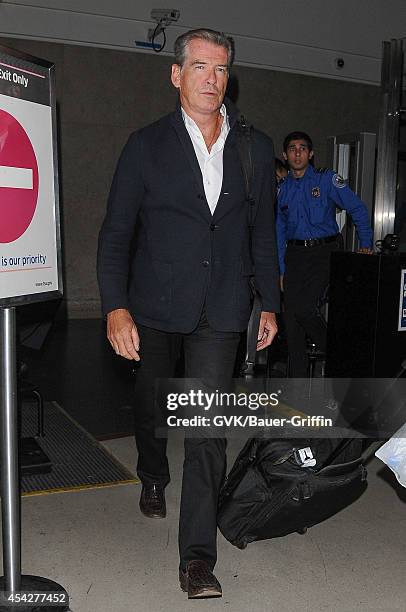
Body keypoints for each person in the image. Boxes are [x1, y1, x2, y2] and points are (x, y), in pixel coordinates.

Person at [97, 28, 280, 598]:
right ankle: (152, 473)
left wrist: (268, 302)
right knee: (154, 402)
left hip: (222, 309)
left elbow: (261, 236)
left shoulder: (253, 147)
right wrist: (115, 308)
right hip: (154, 303)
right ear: (176, 75)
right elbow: (116, 235)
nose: (211, 79)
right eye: (200, 67)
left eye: (221, 70)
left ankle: (197, 558)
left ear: (230, 78)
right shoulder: (145, 145)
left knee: (207, 432)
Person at [276, 131, 373, 377]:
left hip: (324, 252)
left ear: (311, 154)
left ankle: (340, 354)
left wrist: (366, 244)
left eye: (302, 148)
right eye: (292, 148)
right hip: (295, 256)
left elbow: (358, 209)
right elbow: (278, 232)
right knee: (291, 321)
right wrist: (281, 269)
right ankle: (295, 387)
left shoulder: (326, 180)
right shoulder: (281, 190)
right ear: (284, 155)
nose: (297, 152)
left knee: (305, 309)